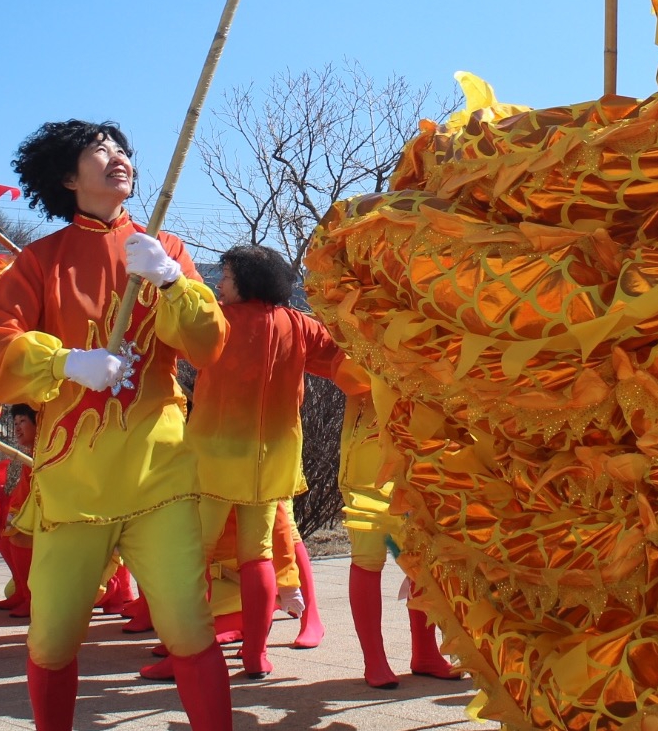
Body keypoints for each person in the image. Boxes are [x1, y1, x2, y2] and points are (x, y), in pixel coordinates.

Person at [0, 120, 231, 731]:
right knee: (53, 639)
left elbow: (208, 344)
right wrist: (65, 361)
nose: (118, 157)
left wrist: (172, 283)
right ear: (68, 177)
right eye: (100, 150)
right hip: (74, 484)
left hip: (159, 475)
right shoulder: (41, 260)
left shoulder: (163, 249)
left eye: (122, 149)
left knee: (190, 628)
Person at [157, 243, 366, 679]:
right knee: (260, 556)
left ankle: (187, 654)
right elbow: (346, 369)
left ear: (244, 282)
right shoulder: (299, 324)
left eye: (226, 277)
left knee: (193, 557)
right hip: (274, 458)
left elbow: (173, 339)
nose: (219, 284)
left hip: (214, 458)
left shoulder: (220, 323)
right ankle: (256, 653)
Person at [338, 386, 465, 688]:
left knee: (424, 557)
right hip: (369, 464)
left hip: (420, 456)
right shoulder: (357, 340)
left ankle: (425, 652)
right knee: (369, 557)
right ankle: (375, 660)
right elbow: (342, 372)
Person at [0, 405, 38, 617]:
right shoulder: (32, 452)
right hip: (29, 508)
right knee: (3, 533)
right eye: (16, 423)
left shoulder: (46, 449)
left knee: (19, 536)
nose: (18, 428)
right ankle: (22, 591)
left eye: (23, 422)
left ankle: (32, 598)